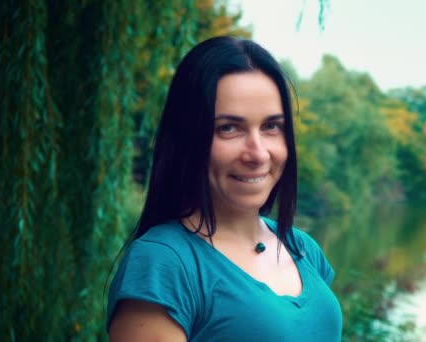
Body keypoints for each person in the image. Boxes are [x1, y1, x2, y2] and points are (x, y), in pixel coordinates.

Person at [107, 36, 343, 341]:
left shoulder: (303, 249)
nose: (257, 153)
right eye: (229, 128)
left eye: (272, 126)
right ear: (188, 139)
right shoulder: (164, 264)